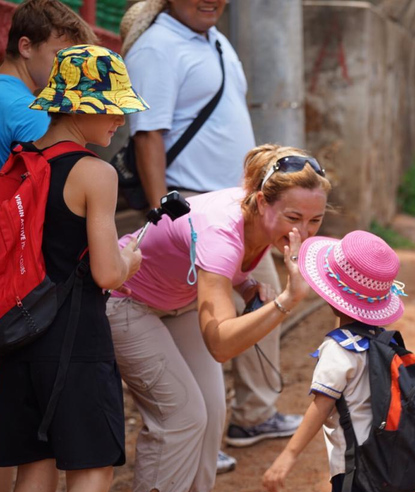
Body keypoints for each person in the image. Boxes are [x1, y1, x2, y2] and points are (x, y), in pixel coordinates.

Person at [119, 0, 300, 463]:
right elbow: (148, 134)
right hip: (196, 209)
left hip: (238, 208)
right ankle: (199, 428)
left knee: (249, 302)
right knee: (212, 321)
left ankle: (242, 417)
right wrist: (166, 212)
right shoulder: (158, 45)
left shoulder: (217, 41)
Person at [106, 145, 330, 492]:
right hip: (124, 298)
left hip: (178, 300)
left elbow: (227, 271)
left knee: (211, 418)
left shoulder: (262, 223)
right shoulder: (222, 232)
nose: (302, 233)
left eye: (315, 221)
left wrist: (245, 287)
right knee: (180, 416)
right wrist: (285, 301)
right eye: (293, 217)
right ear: (261, 202)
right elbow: (221, 345)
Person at [0, 44, 145, 492]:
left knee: (34, 473)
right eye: (114, 107)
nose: (120, 119)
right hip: (76, 343)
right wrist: (130, 262)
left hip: (19, 338)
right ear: (82, 105)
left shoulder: (18, 162)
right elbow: (105, 272)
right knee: (93, 471)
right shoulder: (95, 173)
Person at [0, 2, 96, 492]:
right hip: (2, 276)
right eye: (59, 55)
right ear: (24, 47)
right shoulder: (27, 111)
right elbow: (69, 163)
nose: (66, 71)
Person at [262, 231, 406, 492]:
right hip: (386, 457)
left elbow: (321, 405)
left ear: (331, 296)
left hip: (353, 465)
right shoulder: (383, 340)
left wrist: (289, 455)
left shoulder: (338, 348)